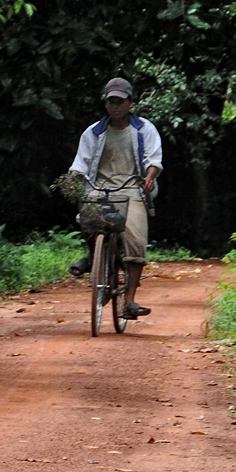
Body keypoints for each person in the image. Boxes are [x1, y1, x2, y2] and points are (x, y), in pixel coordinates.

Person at [67, 77, 162, 319]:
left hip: (132, 187)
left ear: (130, 103)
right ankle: (94, 255)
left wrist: (150, 176)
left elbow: (154, 160)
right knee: (87, 219)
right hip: (100, 187)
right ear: (106, 104)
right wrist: (73, 177)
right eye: (111, 102)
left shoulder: (144, 129)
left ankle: (129, 301)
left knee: (135, 239)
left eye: (120, 101)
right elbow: (81, 162)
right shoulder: (94, 132)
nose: (115, 106)